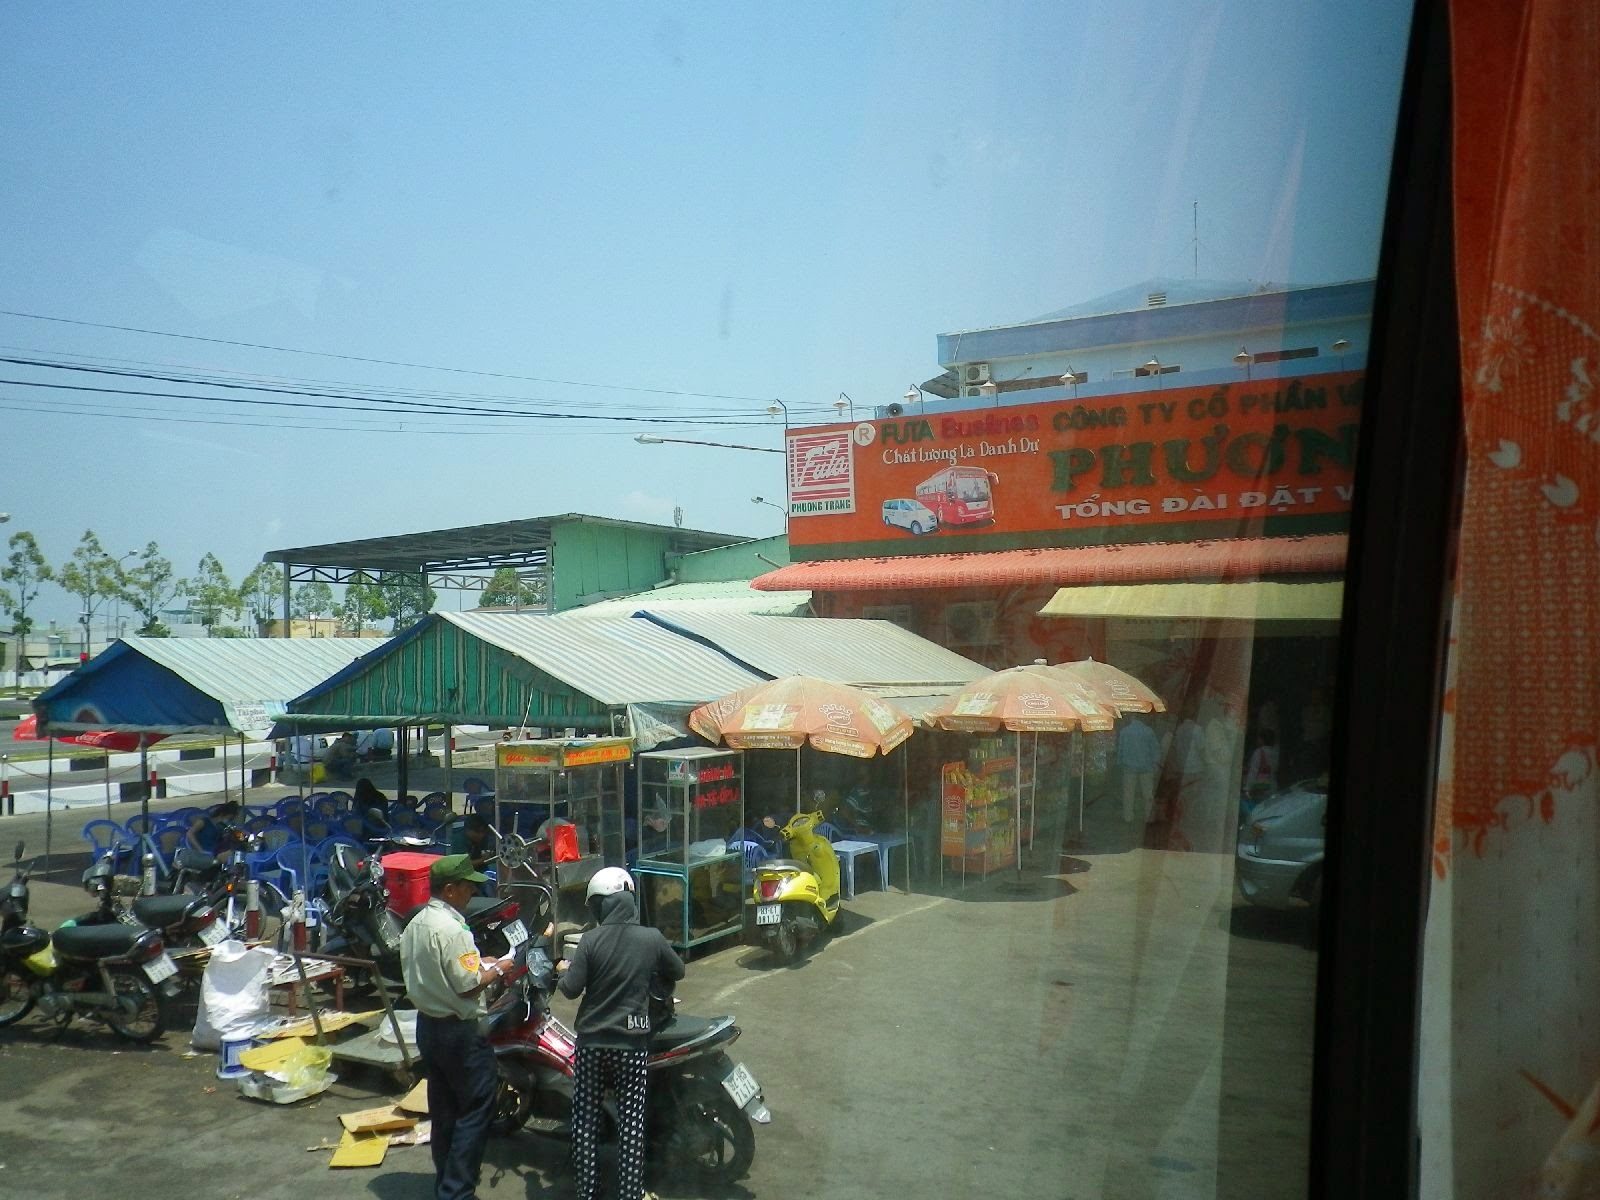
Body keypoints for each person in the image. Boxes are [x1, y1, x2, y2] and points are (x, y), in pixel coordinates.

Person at [557, 868, 685, 1200]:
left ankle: (589, 1192)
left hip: (592, 1045)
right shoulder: (651, 939)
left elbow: (571, 990)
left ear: (602, 905)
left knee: (585, 1124)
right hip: (632, 1045)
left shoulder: (590, 941)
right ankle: (629, 1193)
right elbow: (678, 971)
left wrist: (562, 971)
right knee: (631, 1127)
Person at [399, 853, 516, 1200]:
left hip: (428, 1026)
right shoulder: (453, 929)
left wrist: (482, 962)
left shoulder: (416, 923)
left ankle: (445, 1183)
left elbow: (438, 968)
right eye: (467, 888)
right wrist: (498, 969)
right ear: (450, 889)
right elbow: (468, 985)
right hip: (458, 1032)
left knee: (444, 1109)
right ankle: (458, 1191)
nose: (470, 894)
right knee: (476, 1107)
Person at [1116, 714, 1164, 825]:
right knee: (1148, 794)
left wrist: (1120, 763)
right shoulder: (1149, 731)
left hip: (1129, 767)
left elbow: (1120, 749)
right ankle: (1148, 817)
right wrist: (1156, 763)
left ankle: (1128, 817)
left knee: (1128, 793)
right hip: (1146, 767)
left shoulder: (1124, 731)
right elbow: (1155, 749)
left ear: (1132, 718)